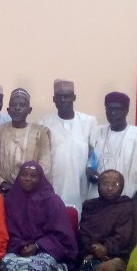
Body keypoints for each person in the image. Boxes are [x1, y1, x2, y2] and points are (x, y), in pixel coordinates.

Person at [0, 161, 77, 271]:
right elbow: (6, 230)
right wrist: (20, 245)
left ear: (40, 178)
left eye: (33, 176)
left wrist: (38, 245)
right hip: (18, 248)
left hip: (48, 251)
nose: (28, 179)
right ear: (18, 177)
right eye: (24, 175)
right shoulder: (11, 199)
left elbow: (63, 236)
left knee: (37, 266)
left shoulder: (52, 200)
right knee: (9, 264)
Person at [87, 92, 137, 202]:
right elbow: (91, 162)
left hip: (126, 201)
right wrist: (90, 171)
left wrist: (133, 204)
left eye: (118, 109)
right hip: (97, 201)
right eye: (109, 109)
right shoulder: (97, 133)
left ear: (126, 111)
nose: (113, 113)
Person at [38, 79, 97, 211]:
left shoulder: (89, 122)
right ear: (54, 99)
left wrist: (90, 167)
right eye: (59, 97)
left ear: (74, 98)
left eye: (67, 96)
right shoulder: (44, 122)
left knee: (79, 217)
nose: (63, 100)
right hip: (53, 182)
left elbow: (94, 152)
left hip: (80, 182)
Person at [0, 88, 51, 194]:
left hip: (32, 192)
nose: (17, 108)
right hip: (4, 192)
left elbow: (45, 165)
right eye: (13, 105)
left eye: (22, 105)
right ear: (8, 110)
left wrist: (29, 183)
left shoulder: (40, 132)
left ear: (29, 110)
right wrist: (2, 183)